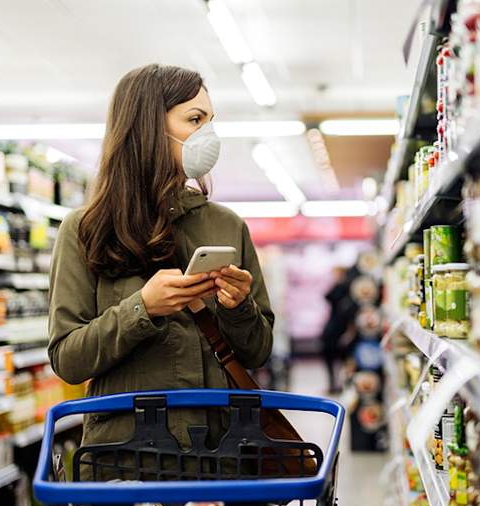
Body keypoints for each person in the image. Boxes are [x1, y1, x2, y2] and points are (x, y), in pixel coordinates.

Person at [47, 64, 275, 473]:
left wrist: (239, 306)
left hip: (219, 460)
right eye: (194, 120)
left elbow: (257, 351)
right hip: (124, 465)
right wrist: (142, 309)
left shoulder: (226, 225)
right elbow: (68, 358)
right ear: (148, 126)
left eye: (210, 121)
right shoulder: (85, 230)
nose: (208, 134)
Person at [320, 266, 356, 393]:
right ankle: (333, 384)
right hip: (334, 329)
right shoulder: (340, 288)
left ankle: (339, 384)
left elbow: (329, 296)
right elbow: (327, 296)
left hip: (340, 328)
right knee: (331, 357)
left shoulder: (346, 288)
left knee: (343, 360)